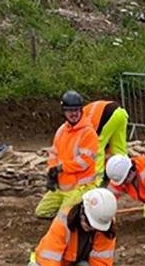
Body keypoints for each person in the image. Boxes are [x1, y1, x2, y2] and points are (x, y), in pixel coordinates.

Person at [17, 188, 118, 266]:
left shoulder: (106, 227)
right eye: (89, 223)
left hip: (78, 264)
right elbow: (50, 259)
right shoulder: (63, 221)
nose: (91, 228)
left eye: (95, 226)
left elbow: (101, 261)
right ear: (82, 211)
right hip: (49, 262)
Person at [35, 91, 99, 219]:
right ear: (64, 112)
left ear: (81, 110)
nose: (73, 113)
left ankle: (79, 213)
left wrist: (60, 168)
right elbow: (53, 153)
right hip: (62, 187)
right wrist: (52, 170)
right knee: (41, 212)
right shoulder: (61, 131)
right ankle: (72, 213)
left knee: (64, 218)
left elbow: (84, 162)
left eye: (76, 110)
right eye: (69, 110)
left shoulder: (88, 132)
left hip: (81, 187)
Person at [80, 97, 130, 184]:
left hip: (108, 115)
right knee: (119, 149)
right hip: (121, 113)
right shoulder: (80, 116)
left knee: (96, 147)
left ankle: (96, 181)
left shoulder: (77, 126)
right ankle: (127, 172)